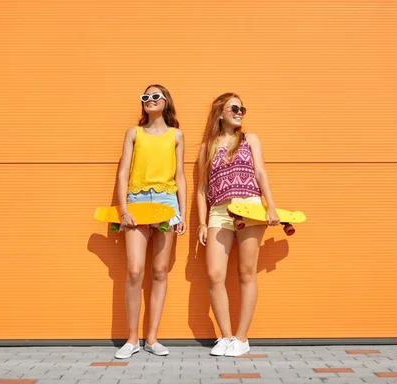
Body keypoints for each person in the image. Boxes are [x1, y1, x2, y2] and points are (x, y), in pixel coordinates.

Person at [196, 93, 280, 357]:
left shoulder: (249, 139)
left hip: (251, 208)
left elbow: (260, 173)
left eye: (242, 108)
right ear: (220, 112)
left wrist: (272, 205)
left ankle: (242, 338)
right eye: (234, 107)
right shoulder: (206, 146)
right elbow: (201, 188)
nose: (240, 111)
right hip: (220, 212)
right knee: (214, 275)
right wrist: (201, 222)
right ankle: (225, 336)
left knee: (246, 273)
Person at [114, 84, 187, 359]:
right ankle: (132, 339)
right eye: (146, 97)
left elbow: (180, 175)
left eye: (156, 96)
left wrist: (181, 212)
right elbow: (122, 172)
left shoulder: (176, 135)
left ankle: (152, 338)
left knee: (159, 271)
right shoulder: (134, 133)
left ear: (166, 102)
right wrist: (123, 210)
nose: (150, 100)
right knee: (135, 270)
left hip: (167, 203)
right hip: (137, 200)